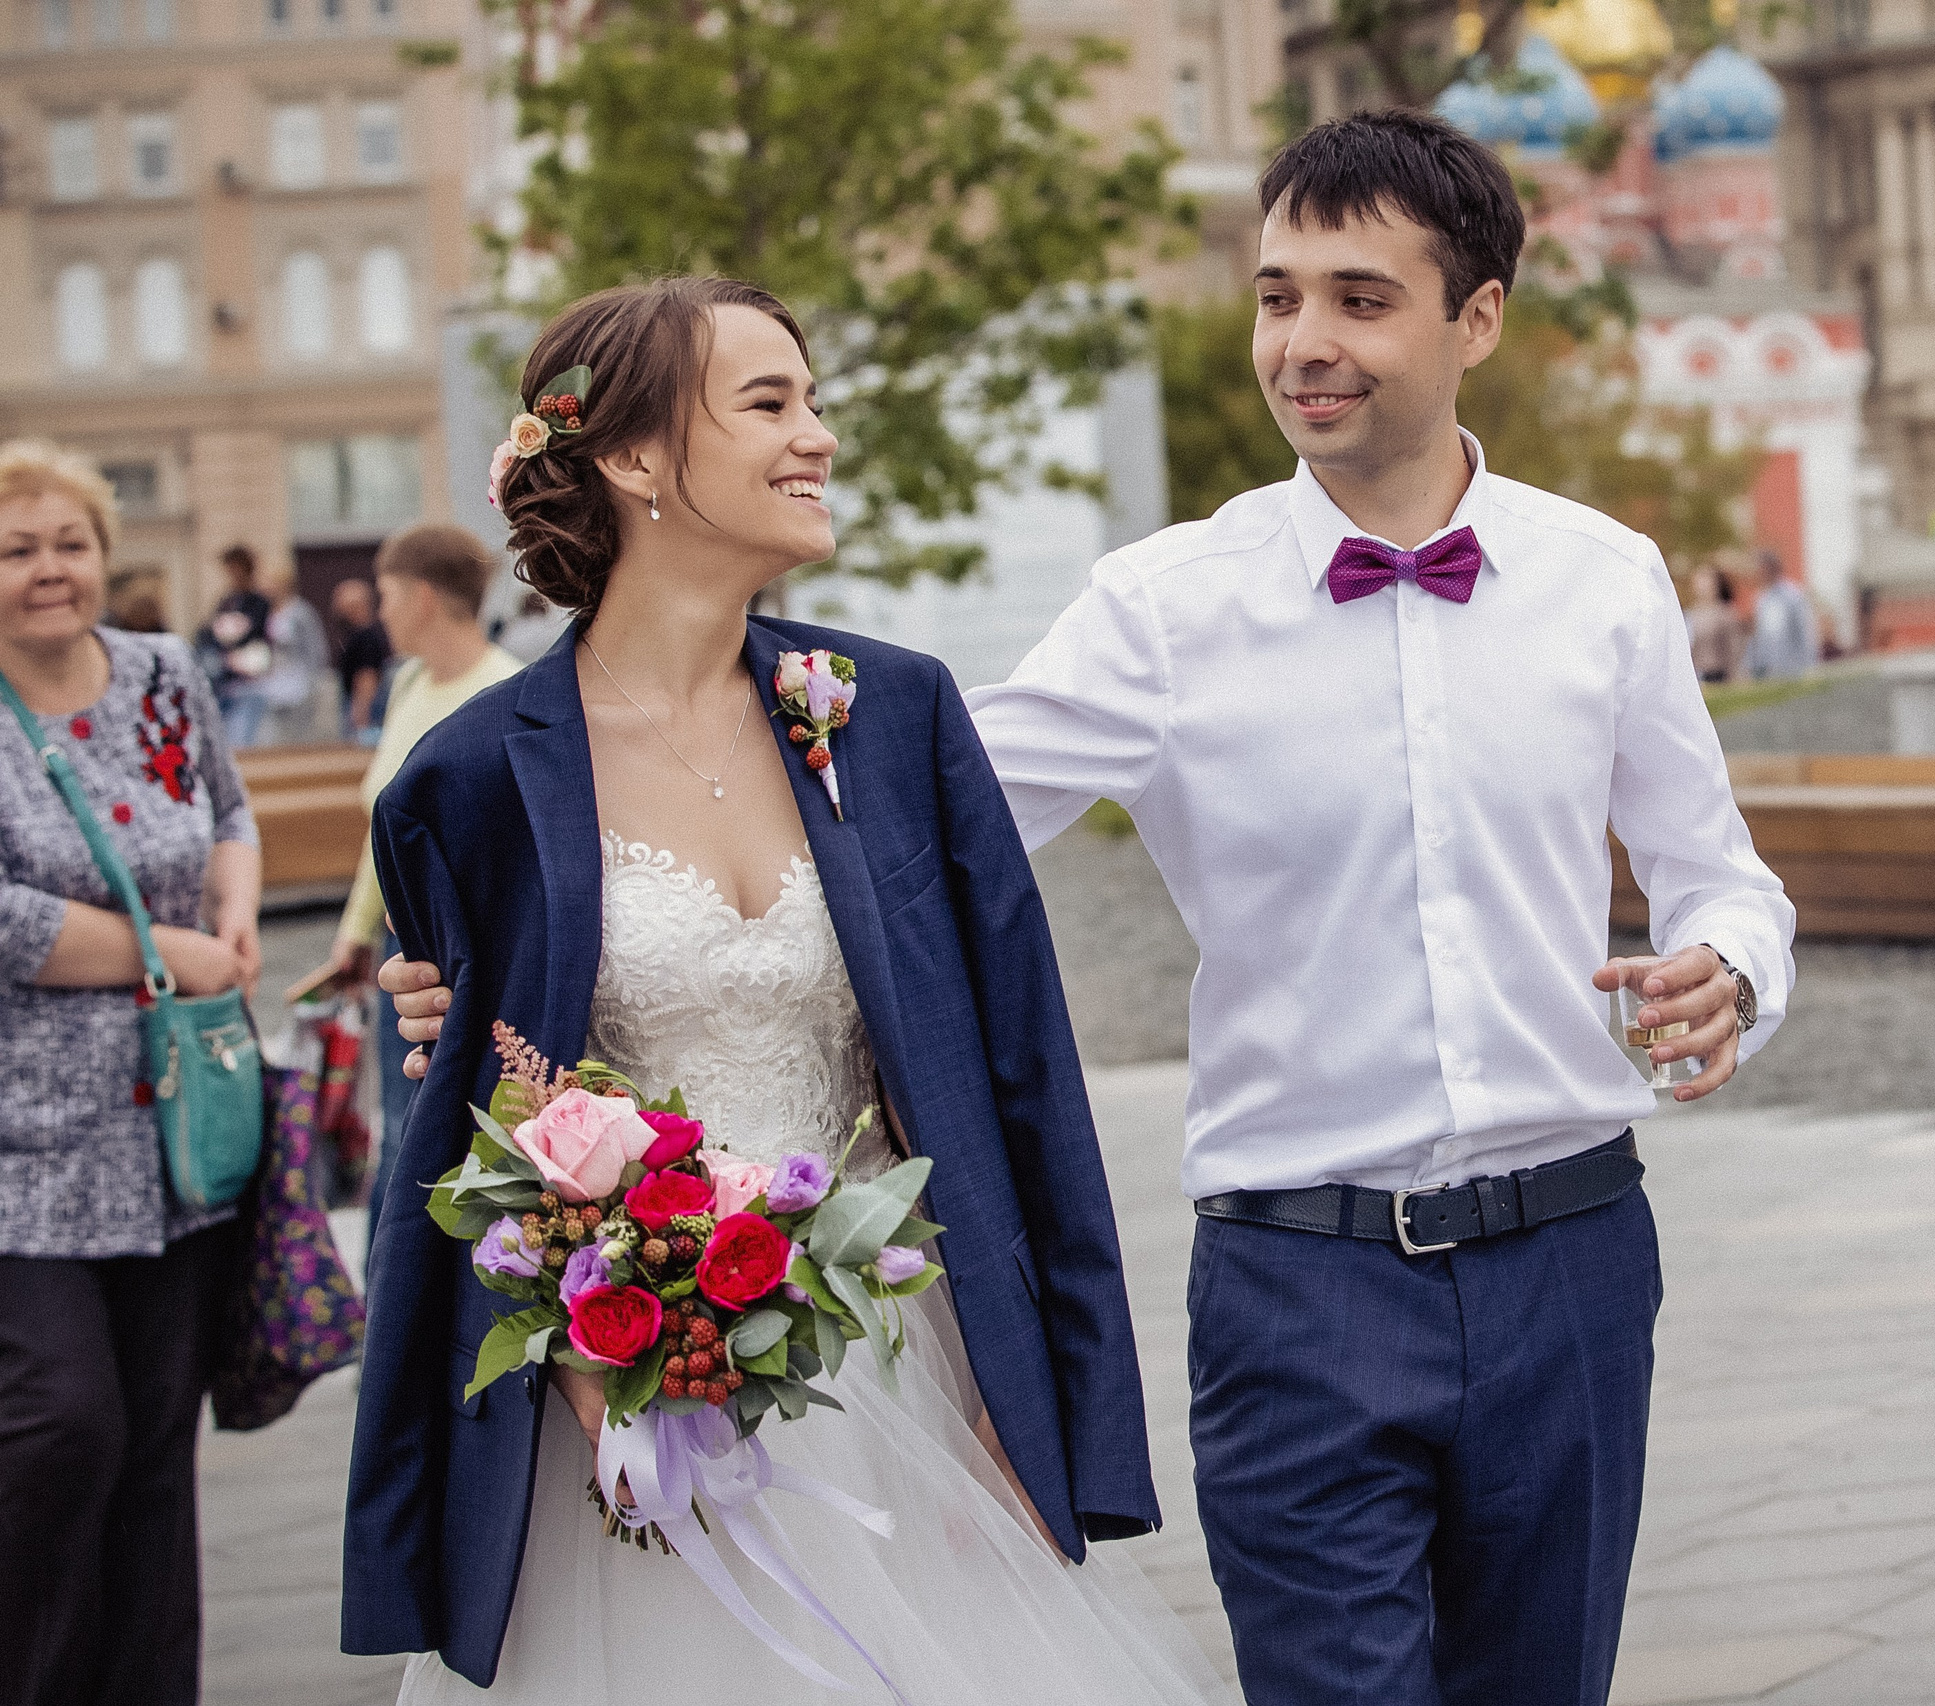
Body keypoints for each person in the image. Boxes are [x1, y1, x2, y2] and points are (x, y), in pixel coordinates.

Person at [385, 115, 1795, 1706]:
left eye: (1358, 299)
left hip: (1575, 1254)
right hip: (1300, 1284)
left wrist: (1728, 968)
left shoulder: (1606, 577)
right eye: (1276, 297)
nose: (1302, 344)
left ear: (1476, 318)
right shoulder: (1164, 605)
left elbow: (1718, 868)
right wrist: (491, 953)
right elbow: (879, 809)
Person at [344, 279, 1230, 1704]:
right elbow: (473, 1130)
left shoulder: (893, 714)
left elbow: (1020, 1072)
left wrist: (1037, 1390)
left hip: (906, 1367)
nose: (816, 434)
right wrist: (577, 1342)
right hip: (635, 1398)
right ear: (633, 457)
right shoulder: (467, 779)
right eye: (770, 403)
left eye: (810, 399)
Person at [0, 439, 262, 1706]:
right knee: (63, 1425)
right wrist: (173, 954)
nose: (51, 571)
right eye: (17, 549)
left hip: (176, 1134)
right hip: (22, 1147)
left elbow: (224, 809)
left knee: (158, 1450)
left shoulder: (163, 673)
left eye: (70, 544)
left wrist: (240, 908)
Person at [289, 526, 520, 1232]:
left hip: (460, 959)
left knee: (445, 1134)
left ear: (422, 595)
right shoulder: (411, 683)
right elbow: (380, 835)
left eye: (385, 593)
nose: (378, 611)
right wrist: (353, 935)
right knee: (397, 1126)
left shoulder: (503, 690)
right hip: (399, 952)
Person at [194, 543, 272, 747]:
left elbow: (255, 634)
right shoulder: (227, 600)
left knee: (243, 738)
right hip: (224, 679)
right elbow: (208, 633)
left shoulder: (259, 602)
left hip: (249, 680)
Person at [259, 580, 338, 745]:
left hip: (300, 678)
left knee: (301, 733)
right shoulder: (271, 612)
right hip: (277, 677)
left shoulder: (300, 611)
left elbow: (315, 646)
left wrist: (314, 678)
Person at [329, 576, 393, 742]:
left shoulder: (366, 638)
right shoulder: (358, 635)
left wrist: (360, 715)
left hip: (364, 709)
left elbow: (367, 677)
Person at [1743, 547, 1819, 680]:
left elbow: (1805, 632)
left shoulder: (1793, 595)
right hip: (1768, 671)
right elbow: (1758, 636)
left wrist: (1810, 666)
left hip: (1793, 669)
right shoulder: (1761, 599)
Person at [1687, 564, 1745, 684]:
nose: (1702, 585)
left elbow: (1734, 649)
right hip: (1695, 677)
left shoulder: (1725, 614)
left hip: (1717, 676)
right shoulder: (1689, 615)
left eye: (1706, 580)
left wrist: (1734, 676)